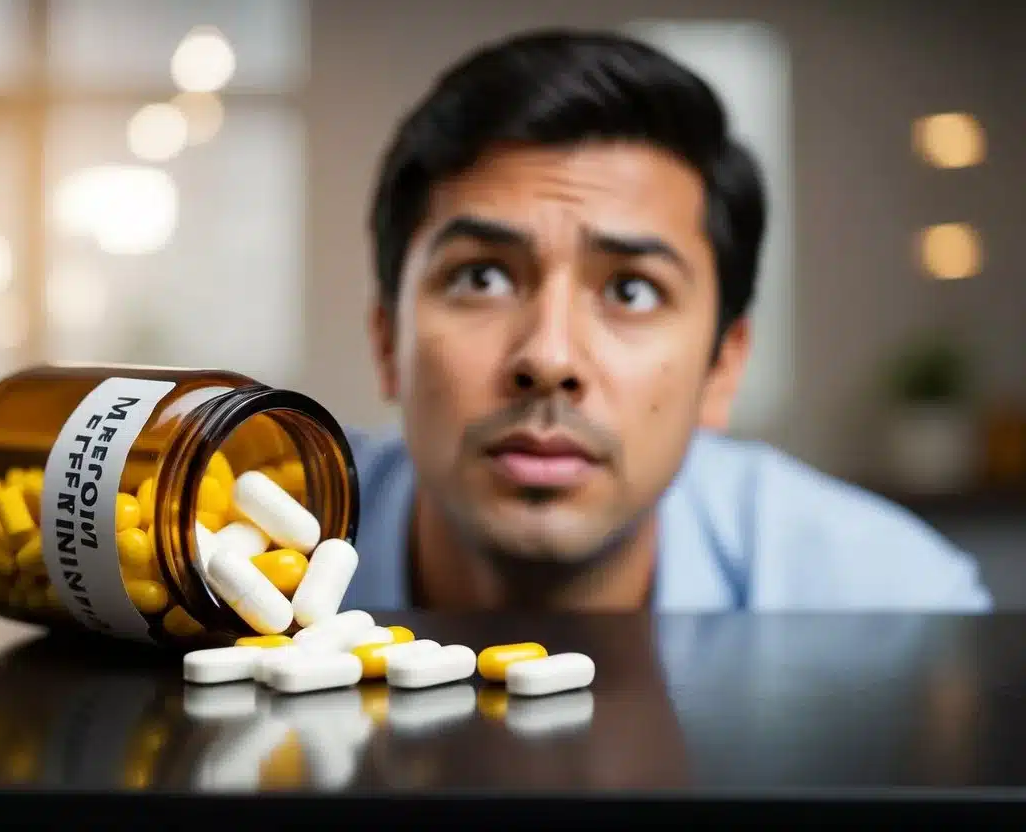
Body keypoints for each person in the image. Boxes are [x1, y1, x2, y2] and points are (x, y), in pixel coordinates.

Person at [337, 29, 992, 612]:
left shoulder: (896, 611)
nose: (549, 357)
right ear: (388, 341)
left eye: (632, 290)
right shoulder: (261, 554)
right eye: (482, 277)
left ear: (721, 367)